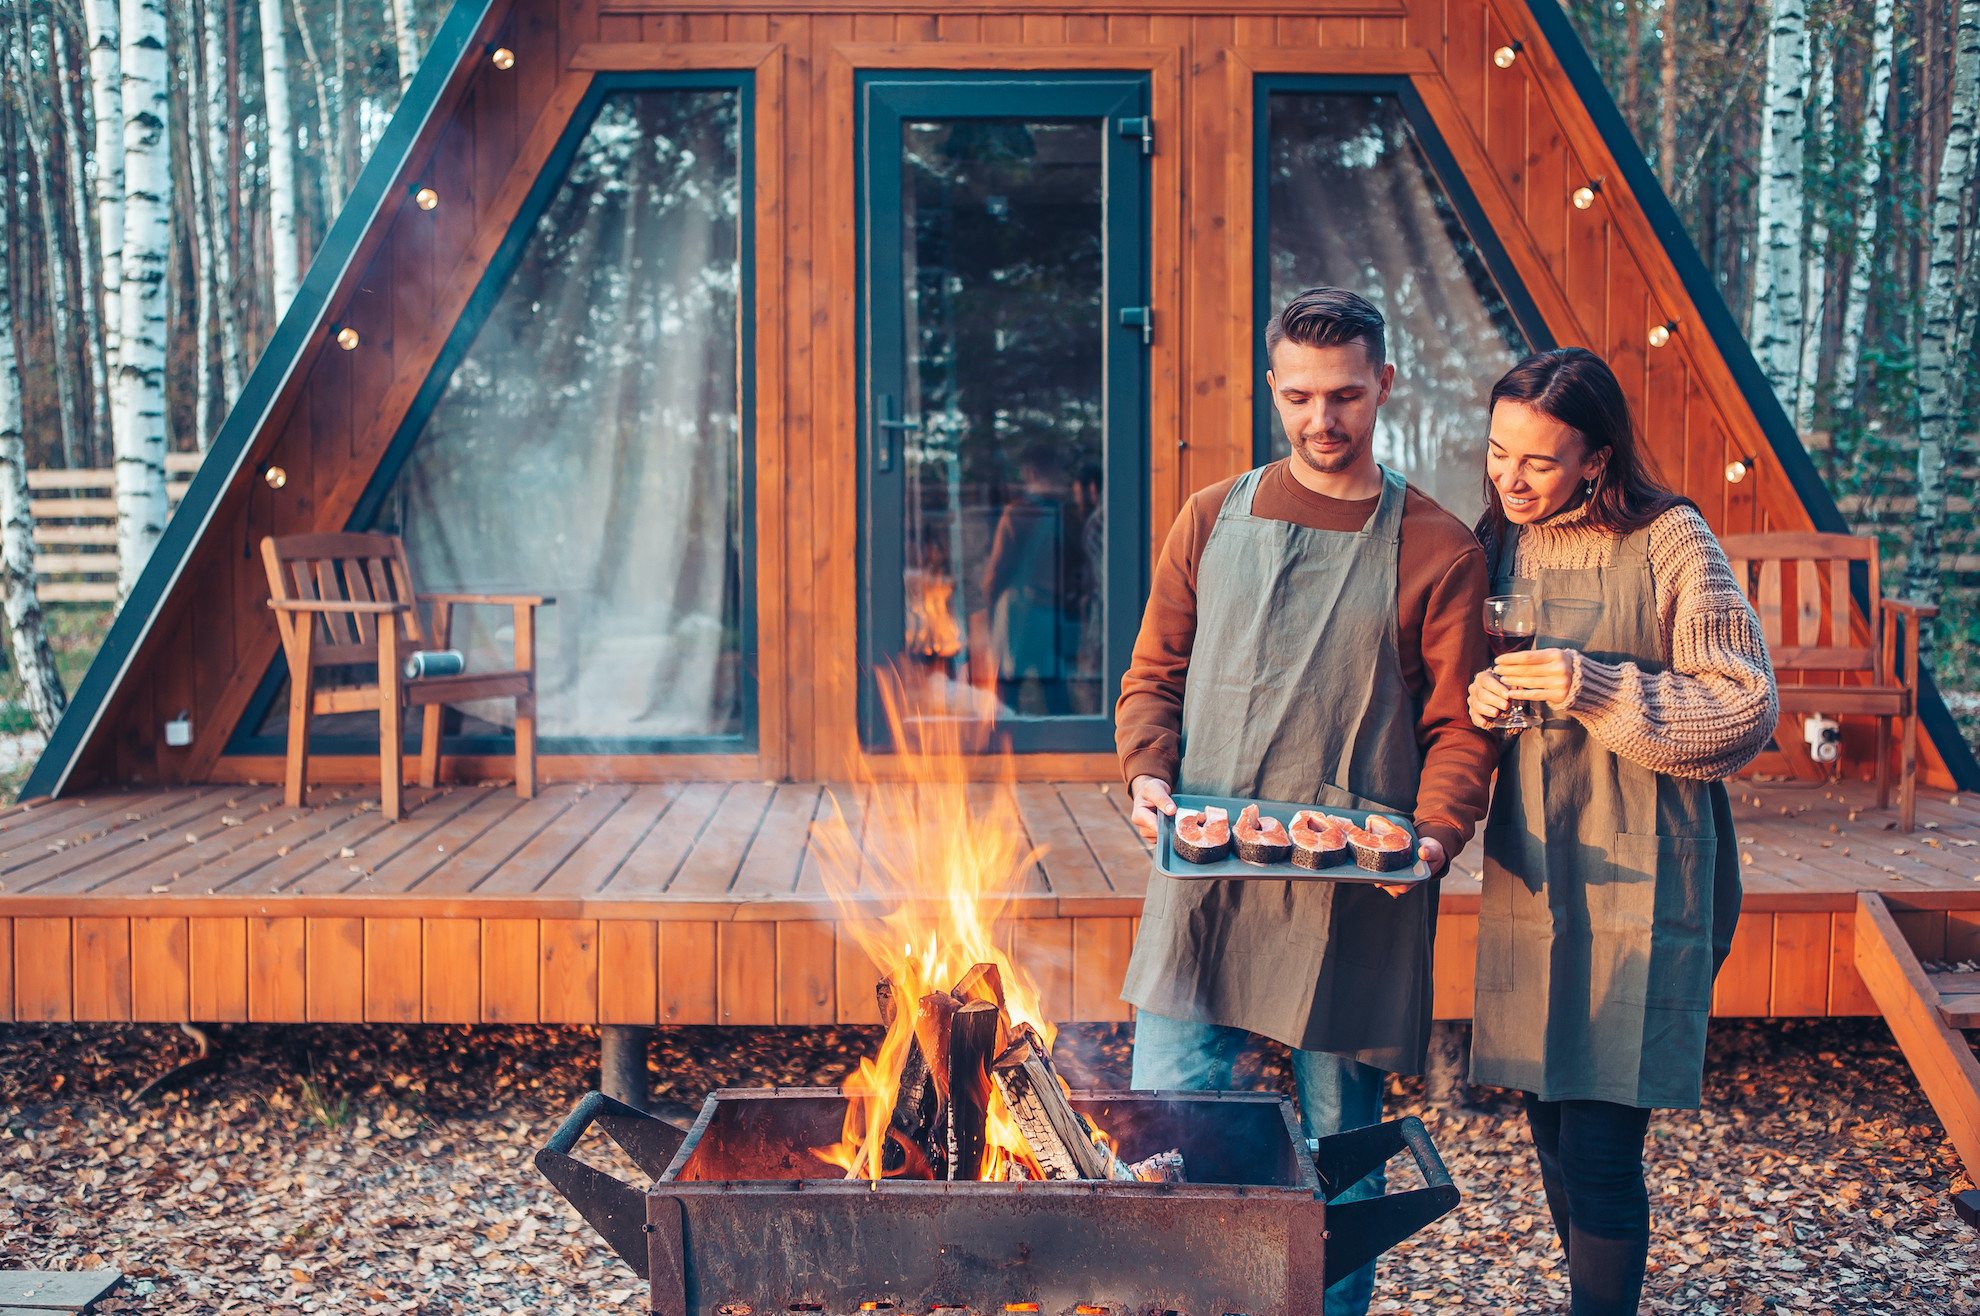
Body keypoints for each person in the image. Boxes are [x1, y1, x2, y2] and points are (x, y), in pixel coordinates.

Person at [1116, 287, 1498, 1316]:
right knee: (1162, 1133)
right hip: (1209, 875)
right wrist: (1149, 775)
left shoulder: (1439, 544)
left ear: (1384, 384)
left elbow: (1462, 726)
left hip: (1356, 888)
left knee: (1342, 1157)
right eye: (1297, 396)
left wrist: (1431, 835)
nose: (1321, 420)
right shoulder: (1211, 516)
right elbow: (1153, 675)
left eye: (1343, 395)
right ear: (1271, 387)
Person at [1464, 348, 1777, 1316]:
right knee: (1550, 1127)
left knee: (1600, 1140)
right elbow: (1498, 684)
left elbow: (1747, 707)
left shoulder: (1672, 539)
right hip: (1537, 863)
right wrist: (1489, 700)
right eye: (1496, 452)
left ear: (1598, 459)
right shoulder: (1501, 540)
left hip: (1646, 868)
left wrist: (1597, 685)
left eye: (1539, 462)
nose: (1510, 480)